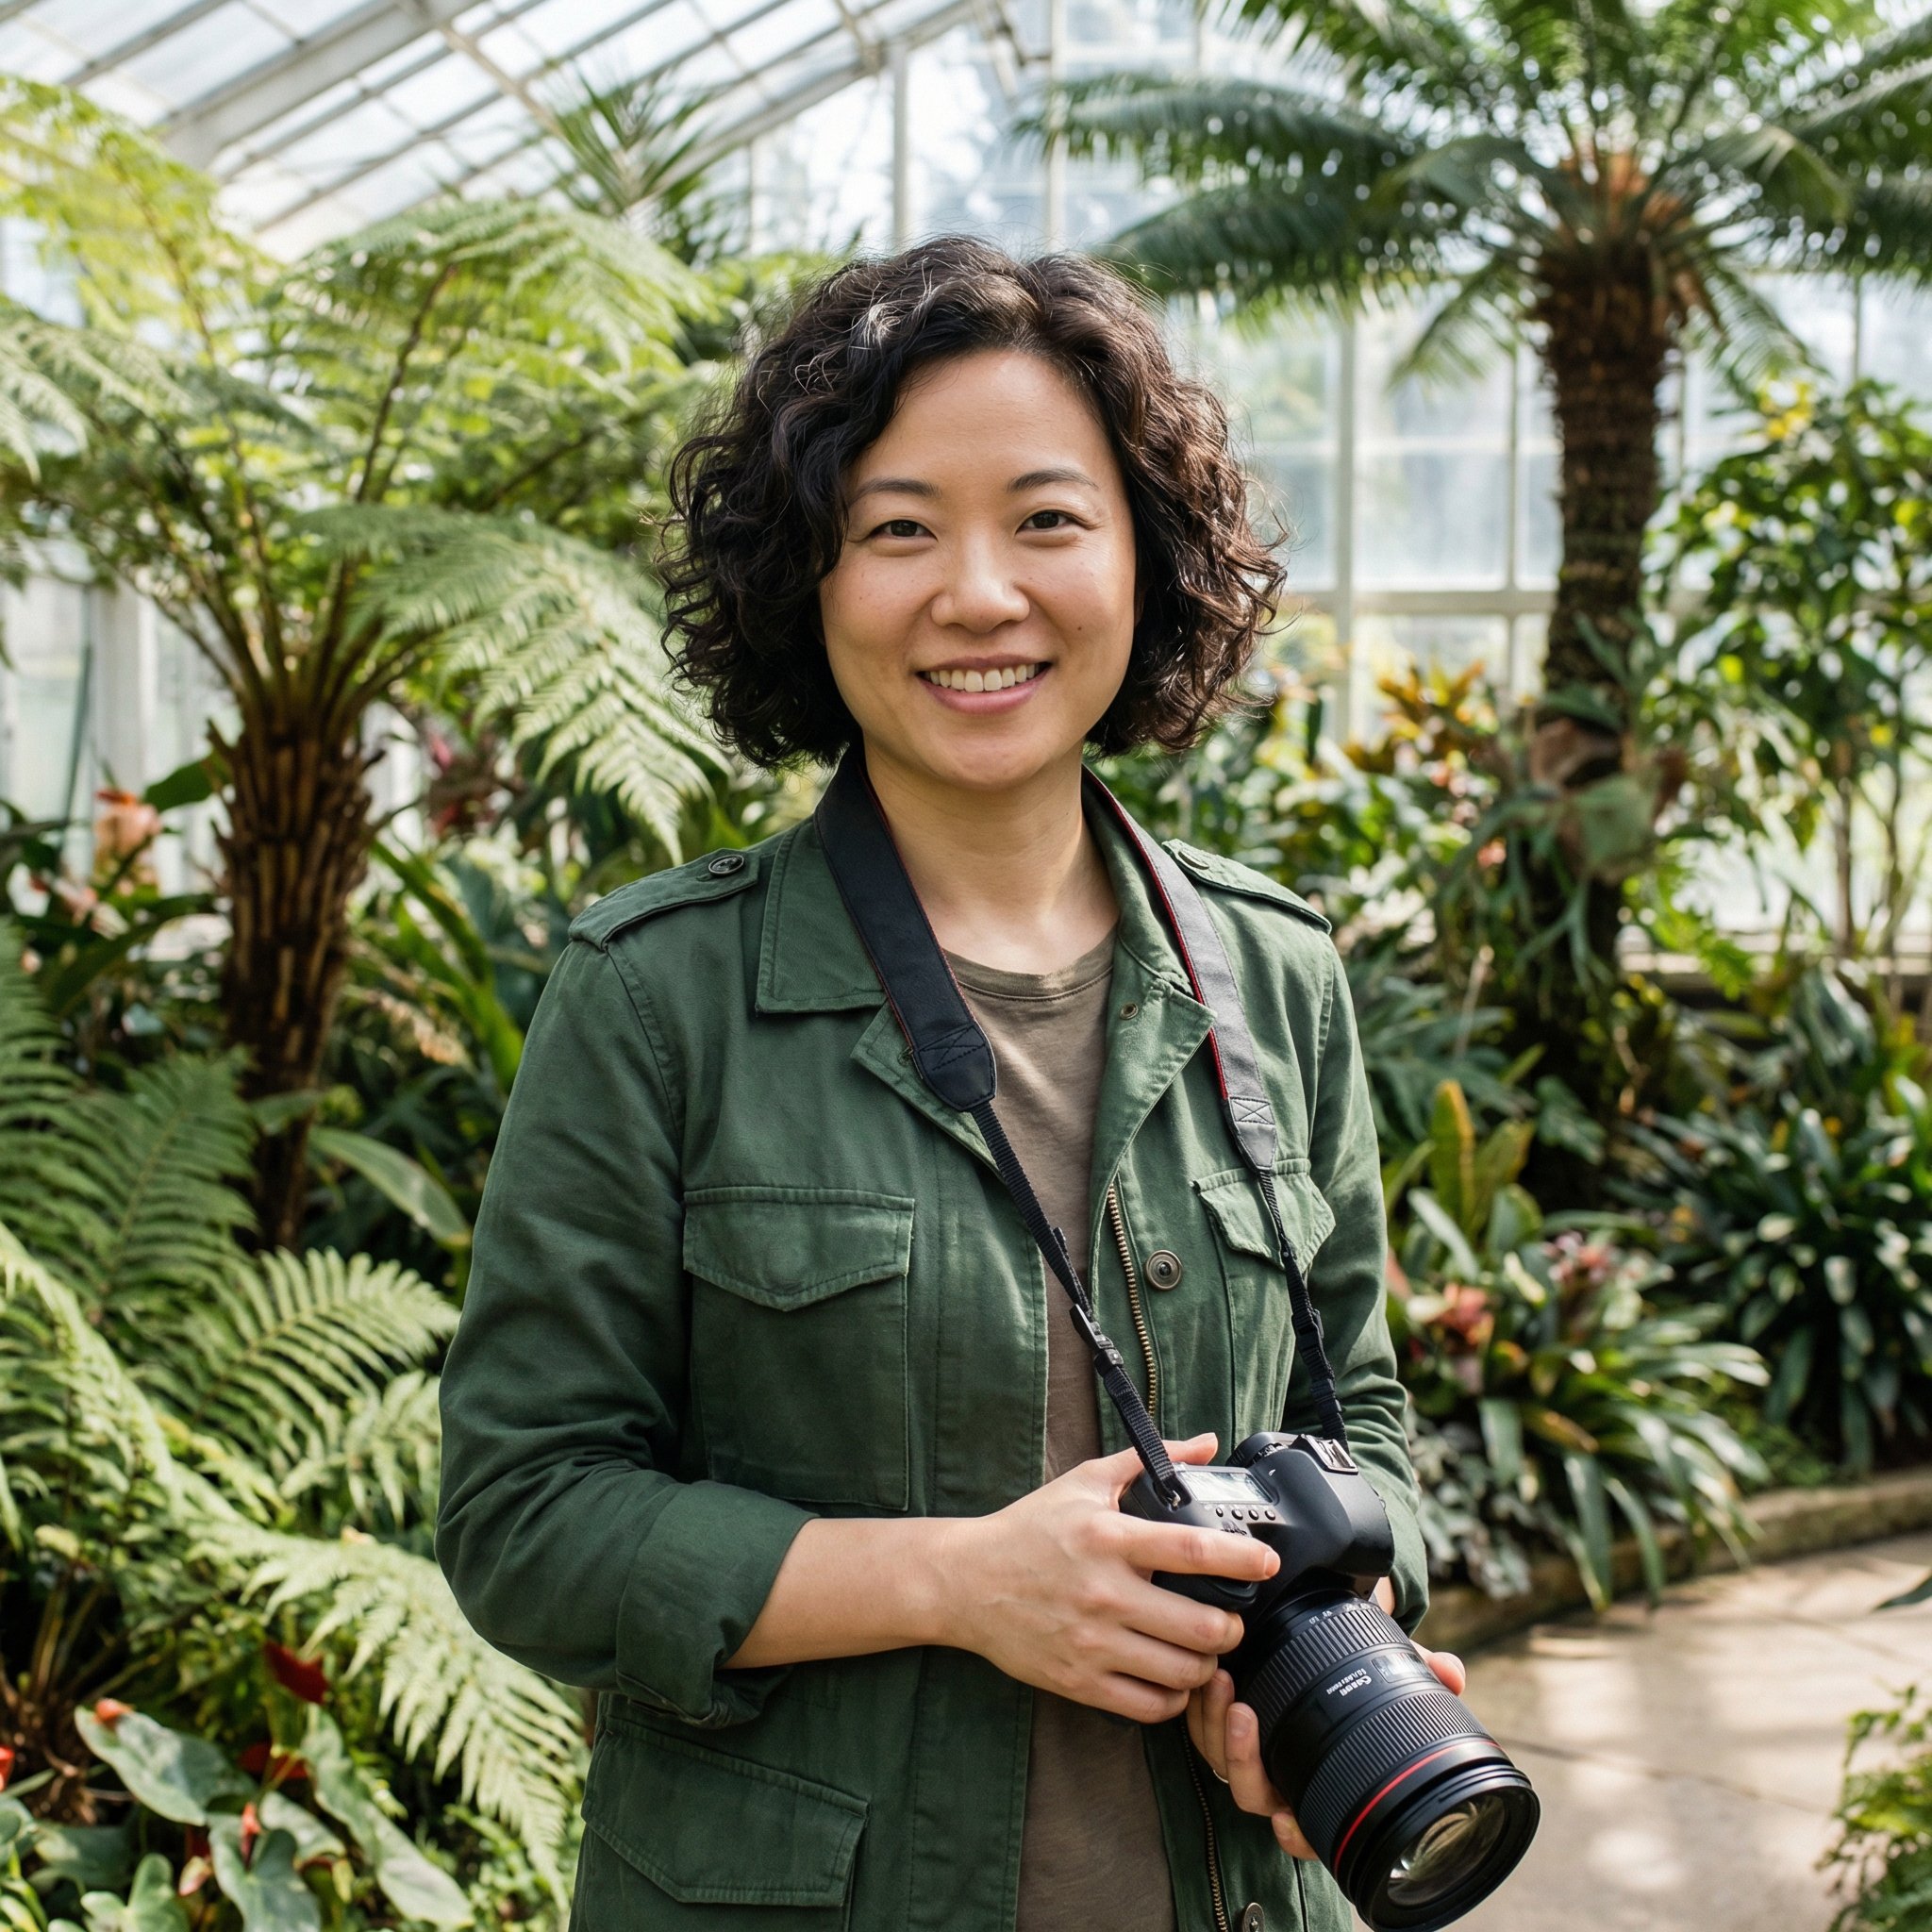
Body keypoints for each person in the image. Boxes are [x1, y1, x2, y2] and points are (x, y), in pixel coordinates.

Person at [434, 234, 1462, 1932]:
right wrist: (958, 1583)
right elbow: (524, 1519)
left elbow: (1367, 1425)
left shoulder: (1273, 976)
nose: (979, 594)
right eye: (900, 527)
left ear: (1149, 560)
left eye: (1048, 519)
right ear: (808, 579)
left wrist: (1328, 1640)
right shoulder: (658, 997)